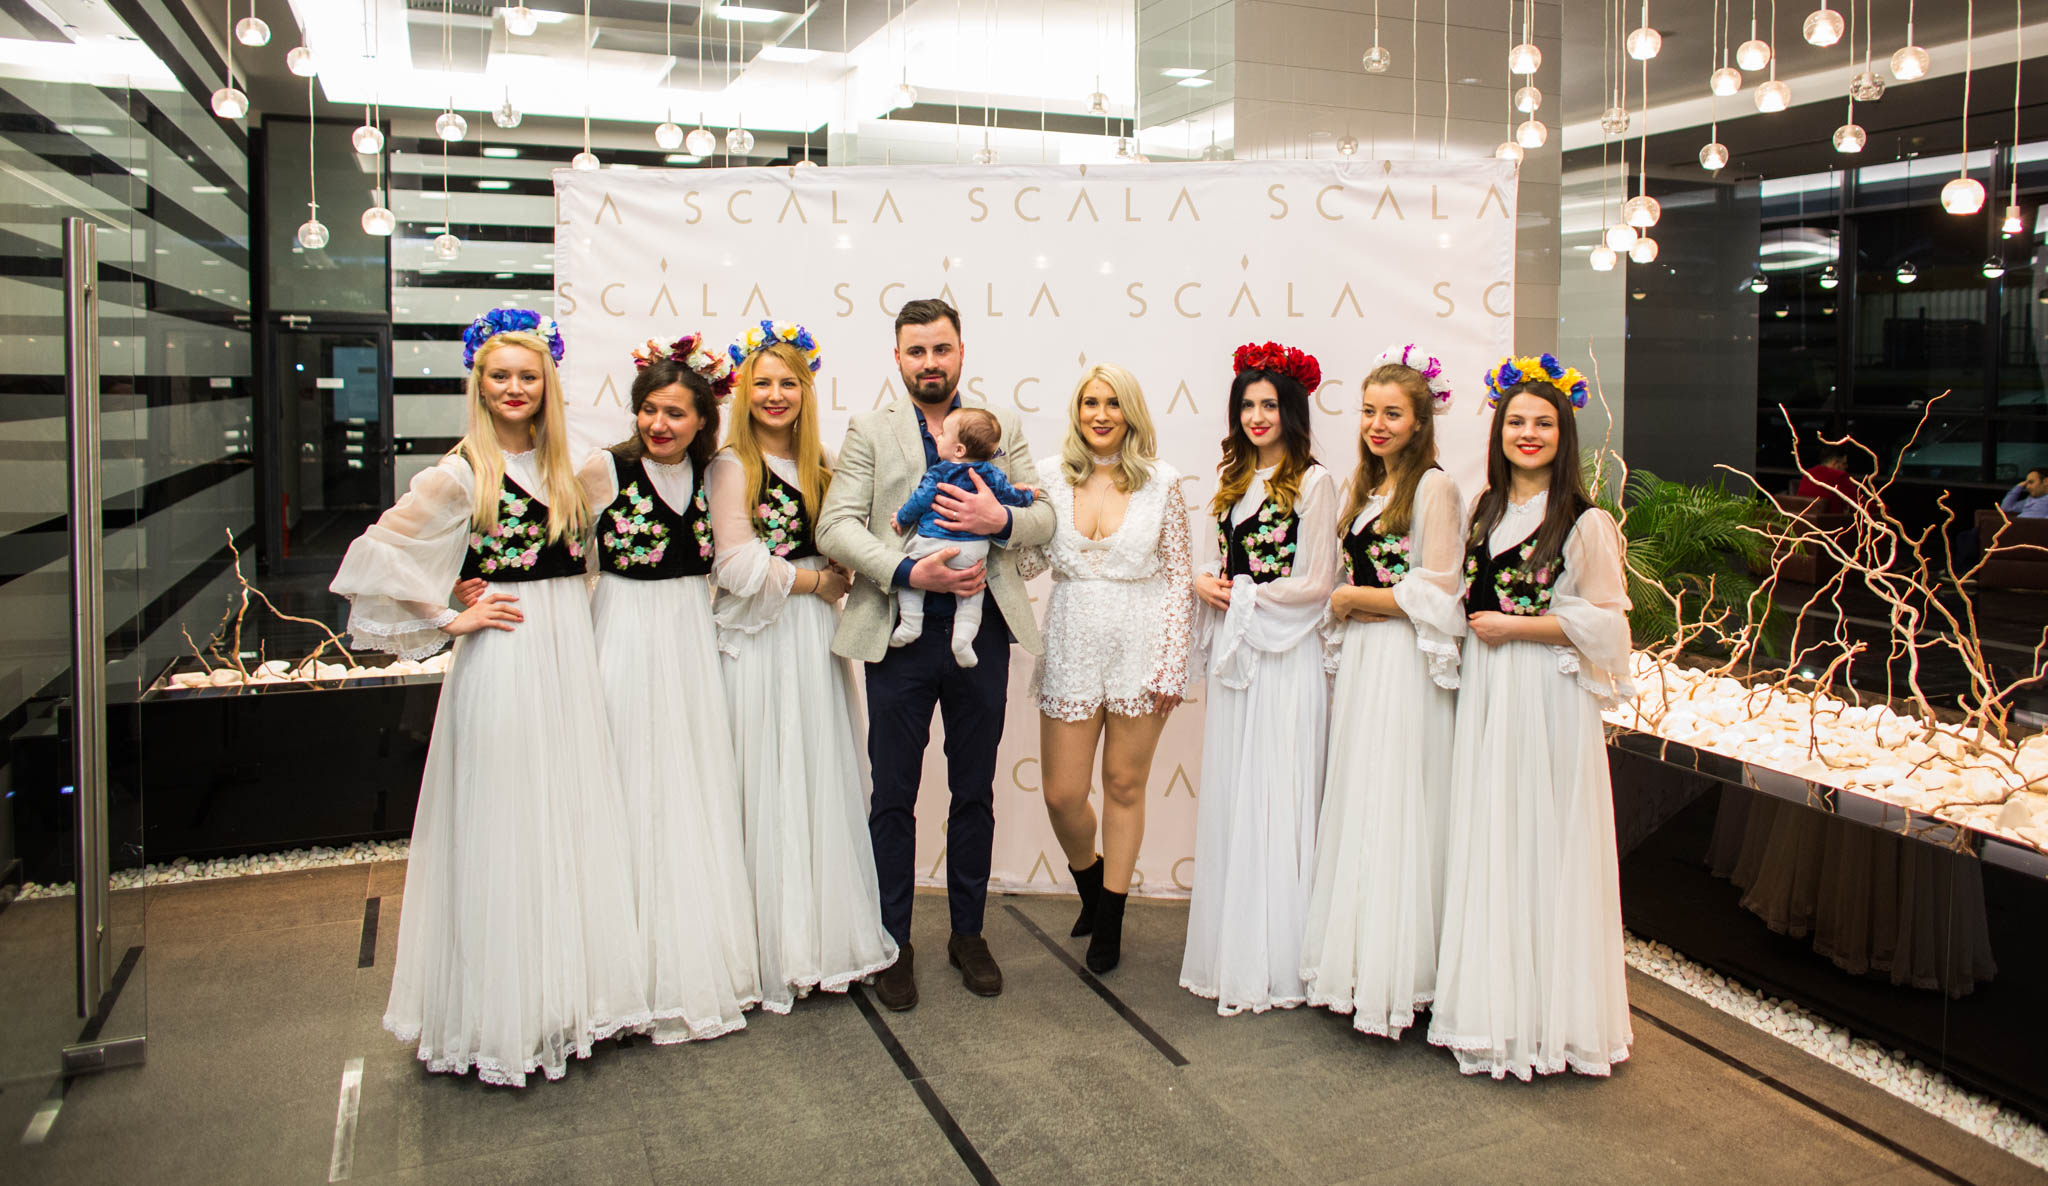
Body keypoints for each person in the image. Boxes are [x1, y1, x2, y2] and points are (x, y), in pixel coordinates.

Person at [331, 309, 650, 1086]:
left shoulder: (580, 469)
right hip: (505, 658)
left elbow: (594, 560)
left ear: (548, 385)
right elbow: (376, 555)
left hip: (570, 655)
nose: (514, 388)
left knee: (567, 815)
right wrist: (449, 613)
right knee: (505, 823)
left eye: (527, 376)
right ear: (479, 383)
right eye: (500, 375)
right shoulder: (459, 472)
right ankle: (499, 1015)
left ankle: (565, 1003)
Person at [815, 298, 1057, 1011]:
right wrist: (906, 571)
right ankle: (892, 942)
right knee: (892, 793)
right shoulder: (870, 430)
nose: (930, 362)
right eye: (916, 350)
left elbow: (1044, 516)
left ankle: (968, 934)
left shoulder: (999, 424)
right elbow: (836, 525)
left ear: (961, 352)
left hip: (983, 633)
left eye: (941, 348)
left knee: (973, 789)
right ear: (898, 357)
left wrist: (1000, 518)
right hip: (899, 632)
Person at [1428, 353, 1636, 1081]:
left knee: (1545, 839)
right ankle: (1493, 1007)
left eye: (1543, 424)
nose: (1528, 433)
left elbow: (1608, 624)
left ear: (1563, 434)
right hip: (1489, 690)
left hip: (1545, 694)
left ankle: (1552, 1018)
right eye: (1516, 421)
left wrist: (1519, 627)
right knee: (1493, 834)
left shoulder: (1585, 522)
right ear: (1498, 431)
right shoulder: (1484, 510)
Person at [707, 321, 898, 1013]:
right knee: (766, 774)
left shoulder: (823, 463)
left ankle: (821, 937)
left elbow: (853, 536)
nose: (775, 394)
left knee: (817, 772)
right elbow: (735, 565)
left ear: (806, 390)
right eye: (762, 383)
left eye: (788, 382)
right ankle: (768, 947)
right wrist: (817, 581)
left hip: (816, 640)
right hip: (761, 637)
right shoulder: (731, 466)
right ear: (744, 392)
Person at [582, 335, 762, 1040]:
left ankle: (689, 960)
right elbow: (552, 537)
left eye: (676, 413)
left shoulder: (716, 474)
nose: (660, 424)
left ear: (702, 420)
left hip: (691, 634)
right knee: (625, 784)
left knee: (690, 785)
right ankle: (616, 972)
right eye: (649, 410)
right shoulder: (605, 469)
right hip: (622, 633)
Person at [1299, 346, 1466, 1039]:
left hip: (1404, 663)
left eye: (1392, 414)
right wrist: (1346, 601)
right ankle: (1360, 961)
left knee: (1400, 799)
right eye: (1369, 411)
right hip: (1367, 661)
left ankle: (1403, 973)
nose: (1377, 424)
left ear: (1420, 421)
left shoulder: (1433, 489)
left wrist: (1351, 600)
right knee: (1364, 795)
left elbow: (1440, 590)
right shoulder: (1363, 488)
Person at [1017, 364, 1194, 974]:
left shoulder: (1163, 482)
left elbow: (1178, 578)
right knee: (1063, 794)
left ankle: (1111, 916)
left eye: (1113, 403)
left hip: (1142, 645)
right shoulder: (1047, 476)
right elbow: (1029, 563)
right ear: (1077, 411)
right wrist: (985, 531)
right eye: (1090, 402)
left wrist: (1172, 664)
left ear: (1130, 413)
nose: (1100, 414)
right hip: (1070, 641)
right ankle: (1090, 885)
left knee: (1123, 785)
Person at [1181, 341, 1341, 1016]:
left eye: (1269, 405)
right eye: (1247, 405)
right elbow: (1213, 563)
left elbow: (1317, 582)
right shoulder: (1230, 483)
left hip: (1286, 654)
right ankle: (1235, 944)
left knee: (1279, 787)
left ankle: (1280, 957)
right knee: (1235, 788)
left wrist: (1243, 594)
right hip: (1237, 656)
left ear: (1291, 411)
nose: (1256, 416)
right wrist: (1204, 583)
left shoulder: (1315, 483)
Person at [891, 407, 1038, 667]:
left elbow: (919, 500)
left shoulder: (938, 472)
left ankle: (911, 623)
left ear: (958, 449)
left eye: (942, 434)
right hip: (973, 551)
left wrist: (901, 518)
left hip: (930, 544)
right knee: (972, 594)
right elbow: (1011, 496)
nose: (937, 436)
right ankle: (963, 639)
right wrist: (1028, 495)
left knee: (909, 577)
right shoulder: (992, 474)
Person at [1794, 447, 1862, 516]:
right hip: (1832, 521)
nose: (1846, 467)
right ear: (1835, 463)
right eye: (1844, 463)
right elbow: (1860, 505)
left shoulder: (1808, 474)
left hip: (1802, 520)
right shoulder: (1839, 476)